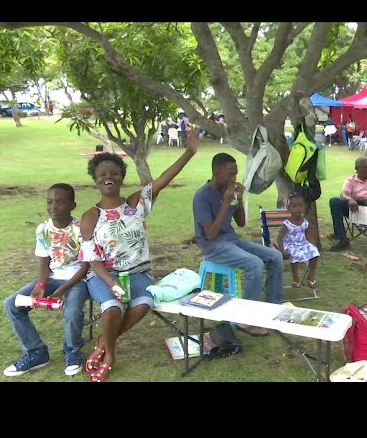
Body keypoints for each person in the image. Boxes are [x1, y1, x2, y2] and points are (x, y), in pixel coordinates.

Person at [79, 127, 200, 382]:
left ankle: (103, 343)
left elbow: (164, 179)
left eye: (114, 173)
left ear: (122, 177)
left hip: (137, 272)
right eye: (103, 175)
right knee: (112, 308)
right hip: (104, 275)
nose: (108, 177)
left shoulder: (136, 204)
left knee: (145, 303)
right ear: (96, 179)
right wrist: (111, 283)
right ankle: (110, 355)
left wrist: (188, 153)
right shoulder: (90, 216)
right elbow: (92, 259)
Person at [3, 183, 90, 377]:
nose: (53, 207)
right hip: (52, 278)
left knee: (73, 310)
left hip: (77, 280)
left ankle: (72, 351)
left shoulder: (80, 228)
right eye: (50, 202)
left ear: (72, 205)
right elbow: (44, 263)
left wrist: (62, 290)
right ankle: (36, 352)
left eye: (60, 202)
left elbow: (85, 267)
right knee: (11, 304)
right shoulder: (43, 229)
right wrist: (41, 285)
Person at [193, 152, 284, 336]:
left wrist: (239, 199)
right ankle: (245, 319)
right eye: (230, 174)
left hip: (231, 240)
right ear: (216, 174)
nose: (234, 178)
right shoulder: (202, 196)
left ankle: (273, 307)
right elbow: (210, 234)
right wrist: (226, 202)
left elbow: (241, 222)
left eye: (235, 173)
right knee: (254, 264)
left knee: (275, 256)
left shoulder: (229, 191)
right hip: (213, 247)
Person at [275, 192, 320, 289]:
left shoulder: (305, 222)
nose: (298, 208)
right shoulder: (287, 223)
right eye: (295, 206)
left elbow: (309, 236)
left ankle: (310, 274)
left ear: (304, 207)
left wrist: (313, 246)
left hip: (302, 243)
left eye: (301, 206)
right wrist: (282, 250)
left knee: (315, 252)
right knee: (294, 255)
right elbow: (280, 238)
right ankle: (295, 277)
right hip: (290, 245)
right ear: (289, 208)